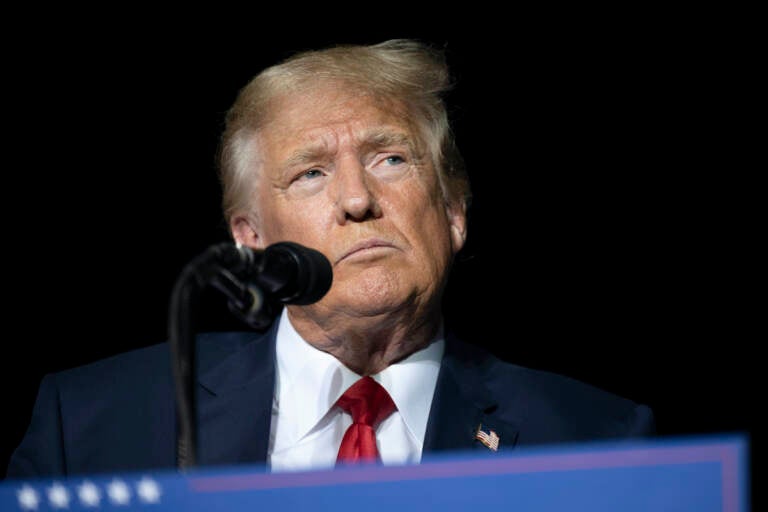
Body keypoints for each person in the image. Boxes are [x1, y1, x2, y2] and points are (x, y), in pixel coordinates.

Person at [6, 39, 654, 478]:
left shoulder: (599, 440)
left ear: (454, 213)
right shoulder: (89, 425)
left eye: (391, 159)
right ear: (250, 240)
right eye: (311, 173)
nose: (356, 199)